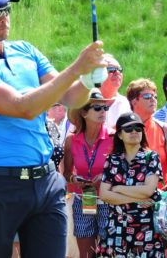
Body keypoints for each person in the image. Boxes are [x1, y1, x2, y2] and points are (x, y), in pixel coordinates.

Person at [0, 0, 108, 257]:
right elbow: (23, 107)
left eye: (6, 10)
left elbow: (71, 97)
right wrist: (76, 68)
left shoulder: (26, 50)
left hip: (45, 183)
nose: (4, 18)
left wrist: (88, 79)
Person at [96, 112, 164, 257]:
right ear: (120, 135)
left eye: (138, 128)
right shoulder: (112, 159)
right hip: (117, 228)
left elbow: (148, 190)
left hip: (146, 230)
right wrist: (137, 198)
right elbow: (104, 195)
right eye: (129, 129)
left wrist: (118, 189)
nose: (134, 132)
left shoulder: (151, 157)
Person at [63, 89, 113, 258]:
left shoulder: (114, 137)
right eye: (97, 108)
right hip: (84, 198)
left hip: (109, 199)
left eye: (105, 108)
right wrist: (74, 179)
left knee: (109, 250)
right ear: (83, 112)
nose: (103, 112)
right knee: (86, 253)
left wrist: (106, 177)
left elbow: (122, 170)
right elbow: (67, 173)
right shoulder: (71, 140)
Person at [126, 78, 167, 188]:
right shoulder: (119, 130)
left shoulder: (163, 129)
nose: (153, 99)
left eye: (155, 96)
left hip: (159, 198)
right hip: (128, 196)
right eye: (147, 96)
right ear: (134, 102)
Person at [99, 54, 131, 128]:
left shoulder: (126, 104)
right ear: (97, 74)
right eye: (111, 70)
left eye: (119, 69)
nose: (117, 73)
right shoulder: (84, 102)